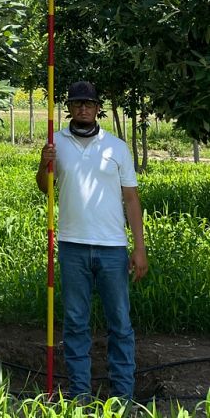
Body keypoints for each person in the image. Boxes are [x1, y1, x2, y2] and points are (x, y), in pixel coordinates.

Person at [36, 80, 148, 401]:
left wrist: (139, 247)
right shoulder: (55, 143)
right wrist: (45, 164)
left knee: (120, 324)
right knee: (75, 323)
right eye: (77, 103)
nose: (83, 108)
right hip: (72, 246)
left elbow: (131, 199)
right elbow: (45, 188)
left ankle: (123, 395)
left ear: (98, 107)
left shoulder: (117, 147)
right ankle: (80, 395)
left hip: (113, 248)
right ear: (68, 108)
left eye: (89, 103)